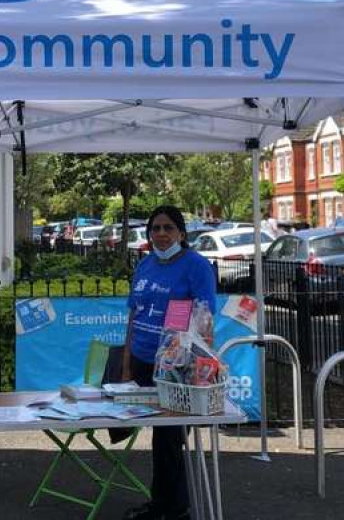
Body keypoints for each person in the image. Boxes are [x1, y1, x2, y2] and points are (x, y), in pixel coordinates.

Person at [120, 205, 217, 520]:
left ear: (182, 233)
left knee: (170, 439)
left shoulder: (196, 266)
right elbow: (133, 317)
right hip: (142, 360)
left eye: (168, 228)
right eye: (155, 228)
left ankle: (173, 509)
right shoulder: (145, 265)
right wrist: (125, 367)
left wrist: (196, 367)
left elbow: (206, 319)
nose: (161, 234)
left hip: (176, 367)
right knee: (160, 439)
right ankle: (164, 504)